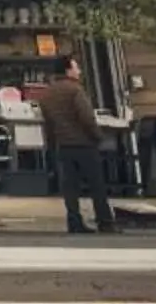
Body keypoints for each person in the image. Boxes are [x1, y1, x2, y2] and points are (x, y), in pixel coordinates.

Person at [39, 53, 117, 235]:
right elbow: (86, 118)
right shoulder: (75, 90)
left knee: (70, 187)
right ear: (68, 70)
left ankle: (74, 221)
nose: (79, 71)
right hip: (83, 143)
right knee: (96, 184)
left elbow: (48, 123)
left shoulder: (47, 94)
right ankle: (104, 221)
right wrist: (98, 136)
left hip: (63, 145)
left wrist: (52, 143)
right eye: (76, 67)